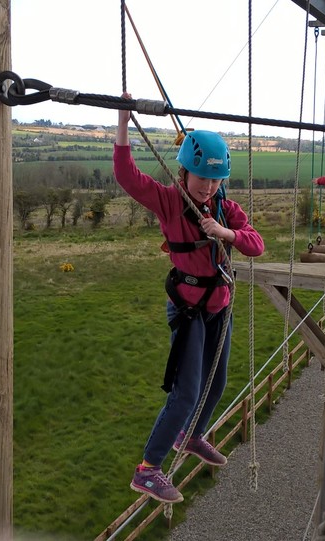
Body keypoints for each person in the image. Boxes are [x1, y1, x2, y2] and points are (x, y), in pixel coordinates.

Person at [114, 93, 265, 504]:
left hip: (220, 304)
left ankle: (192, 435)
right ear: (184, 172)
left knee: (216, 383)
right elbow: (128, 177)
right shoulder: (168, 201)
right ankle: (148, 469)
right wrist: (125, 124)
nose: (209, 187)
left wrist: (226, 233)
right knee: (186, 391)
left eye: (216, 180)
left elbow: (256, 245)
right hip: (189, 308)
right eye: (202, 178)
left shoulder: (224, 208)